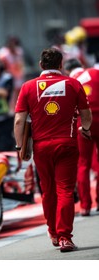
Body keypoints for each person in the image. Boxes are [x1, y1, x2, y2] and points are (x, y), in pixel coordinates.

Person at [14, 48, 92, 252]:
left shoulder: (28, 87)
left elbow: (19, 120)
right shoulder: (73, 84)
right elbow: (86, 114)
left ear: (41, 65)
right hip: (67, 143)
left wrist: (20, 145)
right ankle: (65, 236)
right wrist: (85, 128)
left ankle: (54, 233)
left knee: (48, 191)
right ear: (61, 65)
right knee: (65, 189)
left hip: (41, 147)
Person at [65, 58, 99, 216]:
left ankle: (85, 206)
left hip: (82, 121)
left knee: (83, 163)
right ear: (82, 66)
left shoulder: (70, 81)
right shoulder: (95, 73)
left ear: (67, 70)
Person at [0, 36, 26, 112]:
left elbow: (21, 63)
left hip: (18, 76)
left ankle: (18, 109)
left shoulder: (19, 51)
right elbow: (1, 66)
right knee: (10, 95)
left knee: (19, 95)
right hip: (8, 77)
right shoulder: (3, 53)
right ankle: (10, 110)